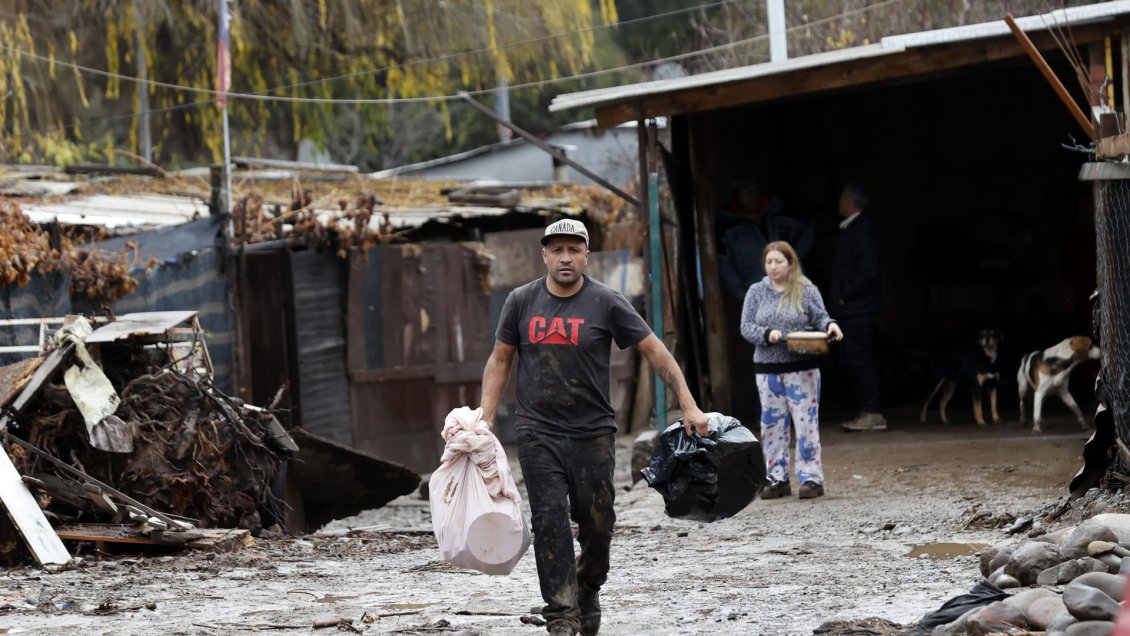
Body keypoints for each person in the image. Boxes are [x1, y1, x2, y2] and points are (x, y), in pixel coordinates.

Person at [479, 218, 708, 636]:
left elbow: (655, 351)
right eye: (557, 250)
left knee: (598, 522)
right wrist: (485, 417)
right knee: (549, 521)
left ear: (586, 255)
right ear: (544, 254)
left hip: (592, 433)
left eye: (574, 249)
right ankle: (561, 616)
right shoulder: (520, 301)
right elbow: (500, 359)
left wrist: (689, 407)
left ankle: (588, 586)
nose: (565, 257)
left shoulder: (606, 302)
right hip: (537, 432)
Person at [739, 241, 843, 500]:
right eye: (769, 262)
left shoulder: (806, 290)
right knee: (772, 425)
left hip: (802, 368)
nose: (773, 267)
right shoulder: (756, 292)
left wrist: (831, 326)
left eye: (779, 262)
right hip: (767, 369)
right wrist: (766, 334)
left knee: (806, 423)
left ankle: (811, 478)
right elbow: (746, 325)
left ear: (791, 263)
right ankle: (777, 478)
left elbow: (821, 317)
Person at [830, 183, 886, 432]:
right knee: (851, 358)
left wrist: (844, 293)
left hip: (857, 308)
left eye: (842, 198)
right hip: (852, 309)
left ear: (850, 202)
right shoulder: (853, 228)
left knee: (859, 358)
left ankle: (873, 412)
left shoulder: (861, 229)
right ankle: (867, 410)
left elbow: (868, 268)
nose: (839, 202)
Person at [717, 179, 814, 302]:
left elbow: (809, 224)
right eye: (746, 193)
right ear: (736, 197)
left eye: (754, 191)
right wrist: (745, 295)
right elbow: (724, 266)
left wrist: (796, 256)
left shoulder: (777, 213)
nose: (752, 196)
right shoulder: (728, 228)